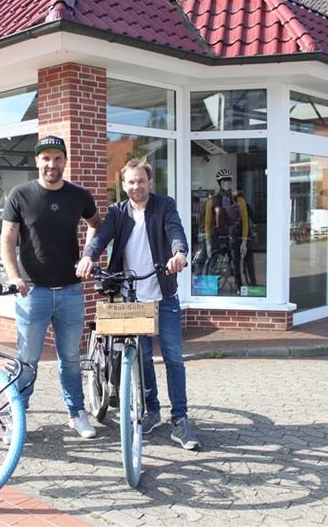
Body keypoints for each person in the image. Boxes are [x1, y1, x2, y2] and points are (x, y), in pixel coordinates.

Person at [76, 157, 200, 450]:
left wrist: (179, 253)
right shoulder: (118, 212)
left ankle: (180, 420)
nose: (136, 186)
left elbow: (175, 232)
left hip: (164, 294)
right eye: (130, 182)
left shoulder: (164, 205)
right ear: (124, 185)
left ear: (150, 182)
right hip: (132, 296)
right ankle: (152, 411)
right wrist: (88, 256)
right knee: (142, 358)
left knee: (173, 359)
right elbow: (102, 237)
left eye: (141, 181)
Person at [0, 135, 102, 439]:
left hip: (71, 291)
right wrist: (14, 275)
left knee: (71, 358)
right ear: (37, 161)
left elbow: (97, 223)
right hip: (33, 292)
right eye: (46, 158)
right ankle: (16, 415)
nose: (51, 164)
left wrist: (88, 255)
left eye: (57, 158)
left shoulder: (78, 196)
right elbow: (7, 239)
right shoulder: (20, 195)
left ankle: (76, 413)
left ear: (65, 161)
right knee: (27, 359)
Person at [203, 168, 257, 289]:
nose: (227, 184)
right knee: (214, 265)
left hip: (234, 236)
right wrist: (208, 243)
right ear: (220, 183)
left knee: (236, 264)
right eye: (224, 181)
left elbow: (245, 222)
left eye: (228, 181)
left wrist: (244, 241)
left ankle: (239, 287)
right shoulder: (212, 201)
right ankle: (212, 288)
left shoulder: (239, 200)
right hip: (218, 237)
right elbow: (207, 223)